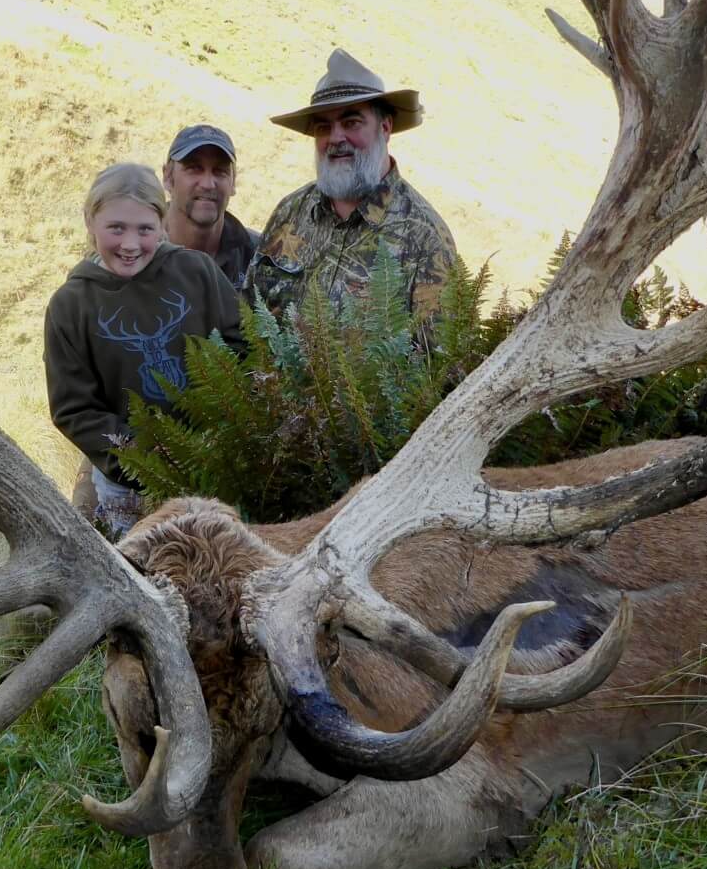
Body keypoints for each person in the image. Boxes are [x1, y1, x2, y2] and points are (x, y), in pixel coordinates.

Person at [45, 162, 245, 537]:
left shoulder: (197, 272)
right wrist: (141, 455)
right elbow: (74, 409)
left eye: (145, 229)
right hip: (128, 489)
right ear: (90, 221)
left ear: (164, 222)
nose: (131, 244)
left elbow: (241, 346)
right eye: (116, 228)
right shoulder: (70, 305)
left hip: (216, 469)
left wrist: (223, 431)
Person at [249, 48, 458, 320]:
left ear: (384, 128)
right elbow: (249, 321)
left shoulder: (425, 239)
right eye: (323, 127)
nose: (336, 138)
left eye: (351, 123)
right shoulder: (289, 213)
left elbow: (440, 359)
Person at [161, 123, 260, 291]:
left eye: (219, 170)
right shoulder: (135, 251)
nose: (208, 184)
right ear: (168, 178)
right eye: (194, 168)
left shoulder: (257, 256)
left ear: (233, 182)